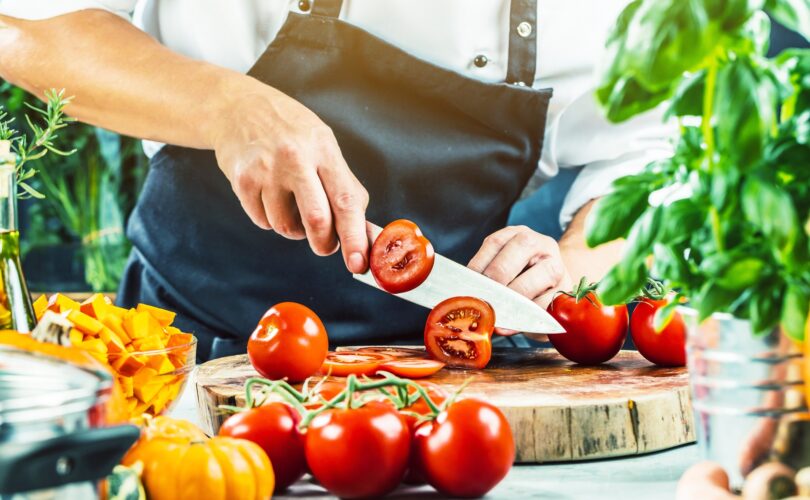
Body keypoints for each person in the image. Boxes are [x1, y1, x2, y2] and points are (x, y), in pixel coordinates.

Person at [0, 0, 674, 360]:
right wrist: (225, 105)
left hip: (444, 384)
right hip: (185, 355)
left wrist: (569, 266)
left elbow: (646, 161)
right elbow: (26, 28)